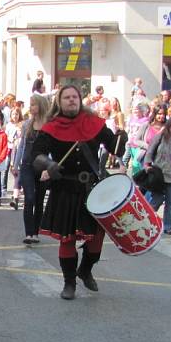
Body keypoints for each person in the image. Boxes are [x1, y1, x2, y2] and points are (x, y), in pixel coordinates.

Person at [32, 85, 127, 300]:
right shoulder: (51, 127)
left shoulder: (94, 123)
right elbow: (35, 155)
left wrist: (121, 138)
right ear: (60, 101)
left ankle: (85, 270)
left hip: (92, 190)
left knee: (96, 239)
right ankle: (69, 283)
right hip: (65, 189)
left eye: (75, 97)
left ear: (80, 100)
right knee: (67, 239)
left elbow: (115, 148)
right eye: (67, 97)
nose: (72, 100)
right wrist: (48, 163)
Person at [13, 94, 49, 244]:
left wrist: (50, 168)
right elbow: (22, 145)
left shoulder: (48, 125)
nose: (31, 107)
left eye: (34, 104)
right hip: (27, 165)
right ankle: (28, 233)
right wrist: (15, 164)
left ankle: (35, 232)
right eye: (31, 104)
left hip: (42, 166)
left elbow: (52, 148)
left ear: (40, 106)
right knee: (29, 198)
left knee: (40, 200)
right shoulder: (27, 124)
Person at [144, 117, 171, 235]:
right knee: (157, 200)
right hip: (159, 174)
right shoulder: (160, 137)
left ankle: (168, 226)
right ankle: (144, 221)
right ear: (168, 127)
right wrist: (147, 165)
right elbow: (150, 150)